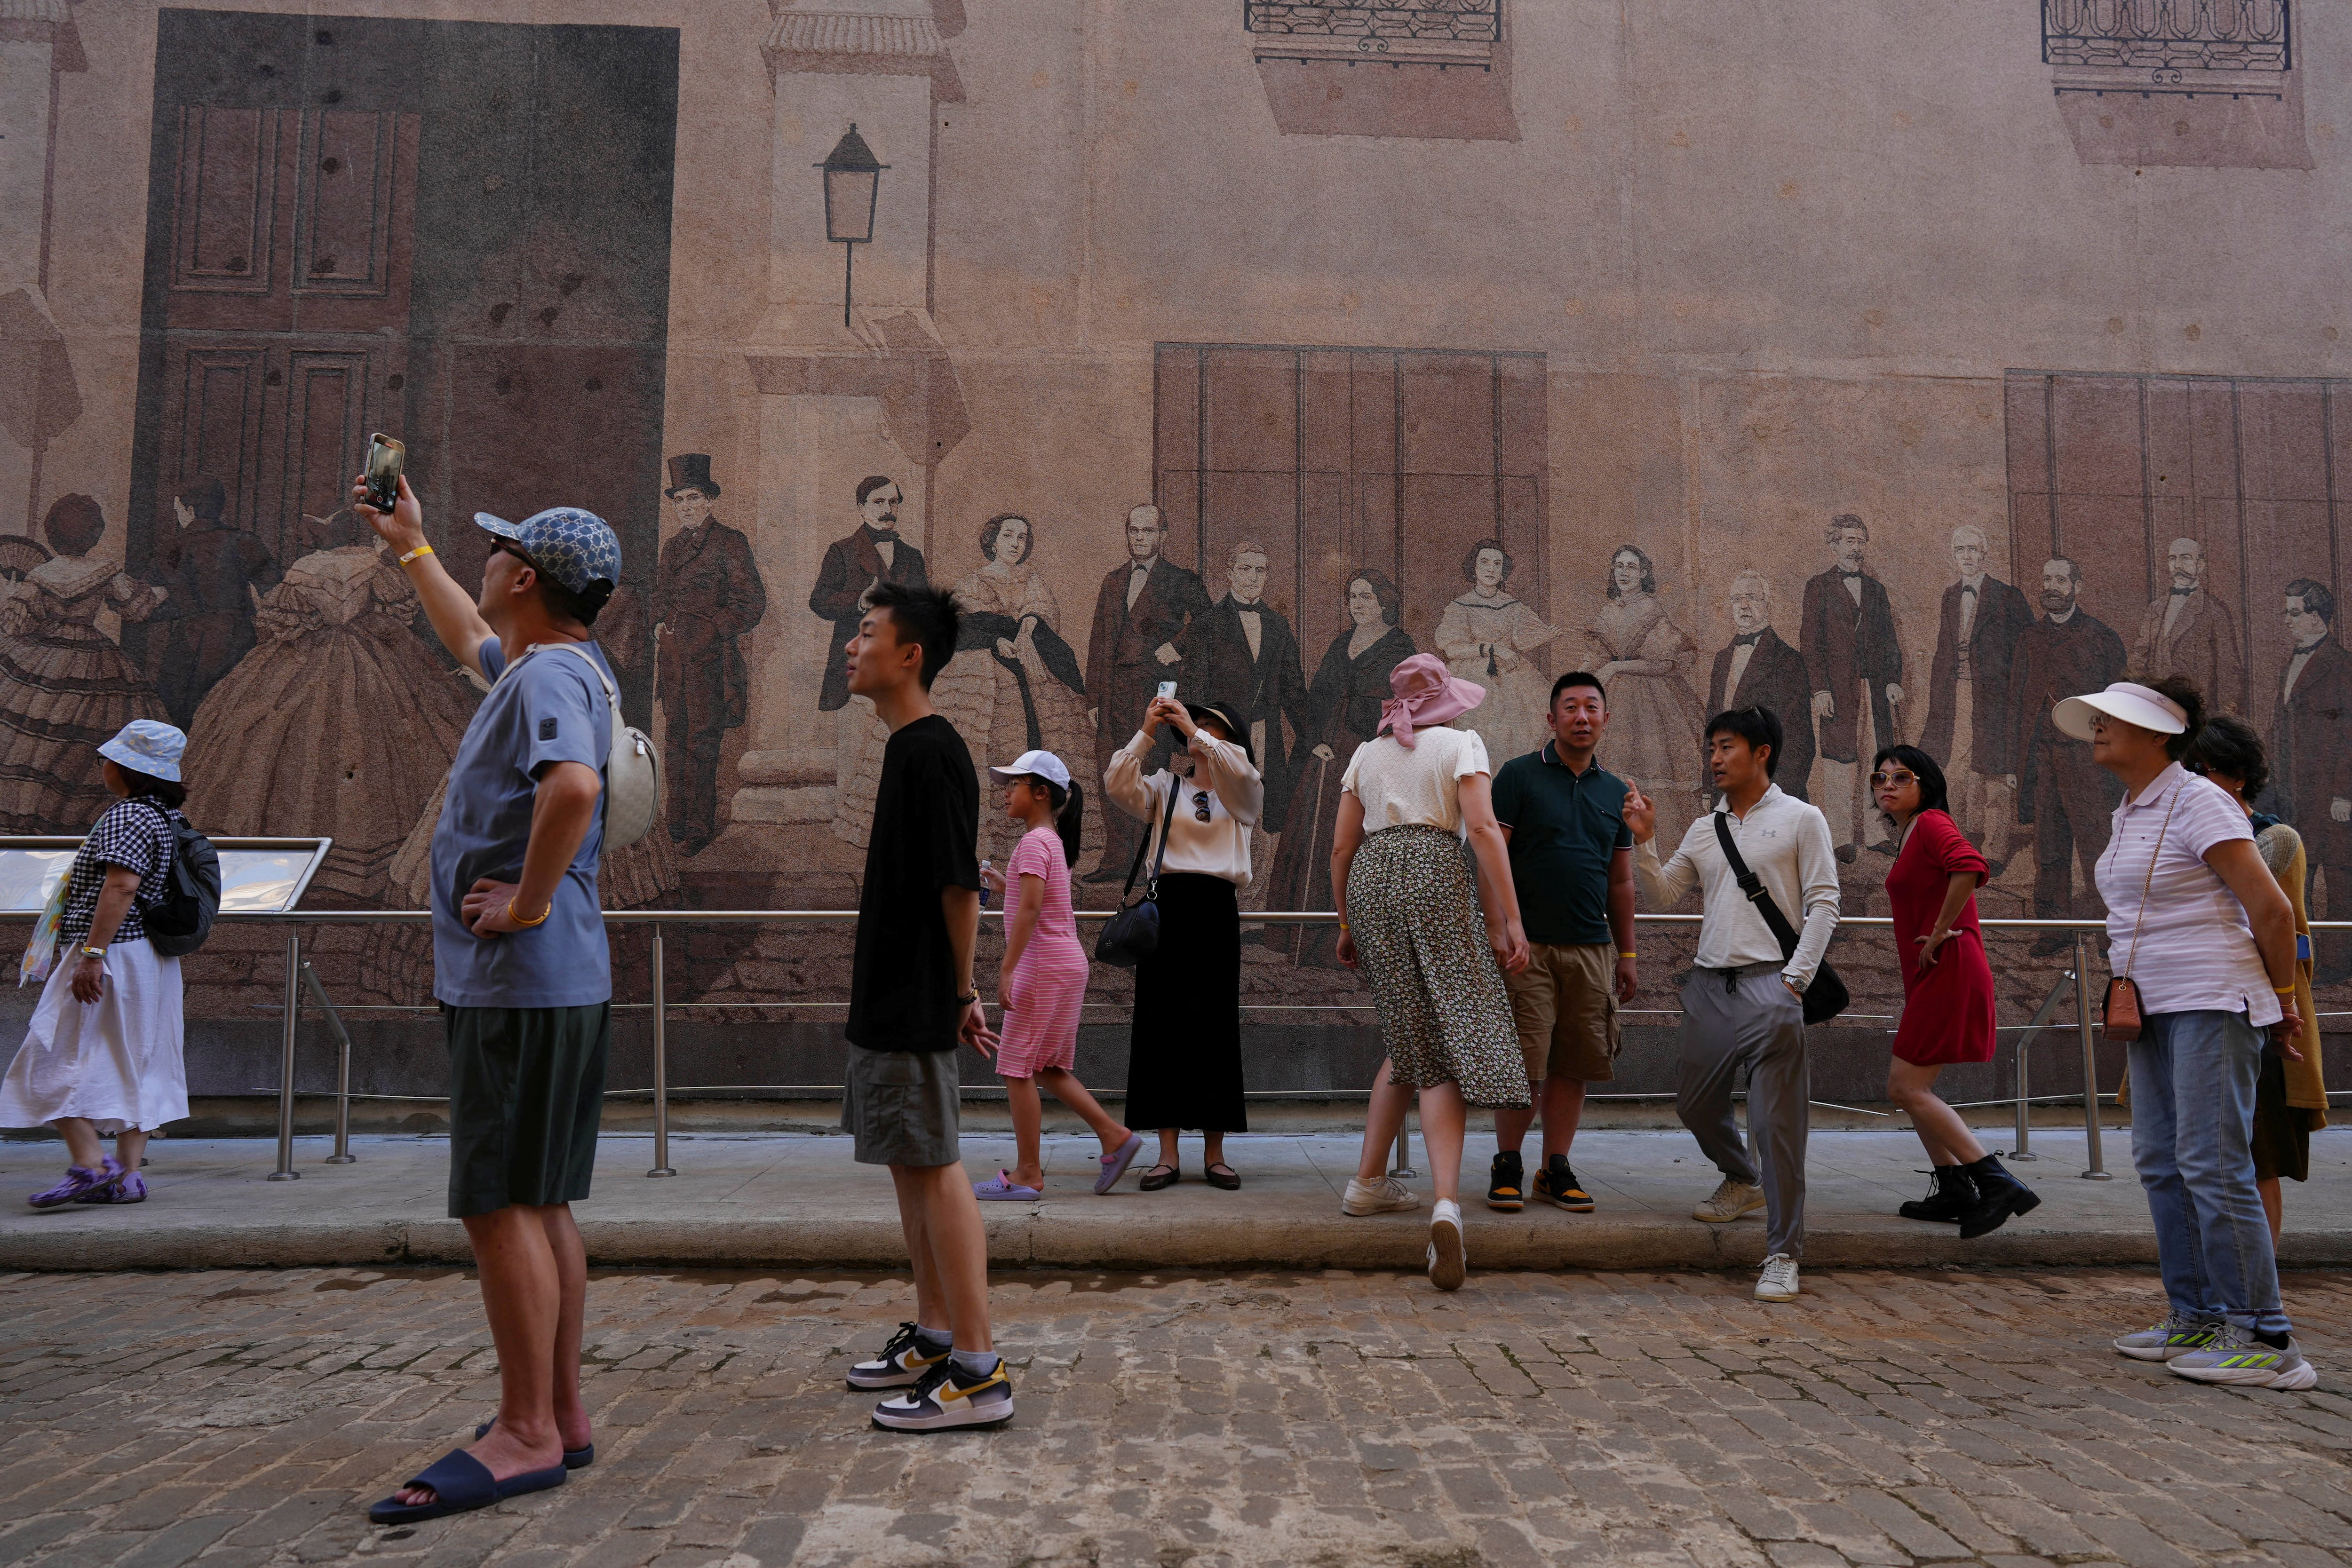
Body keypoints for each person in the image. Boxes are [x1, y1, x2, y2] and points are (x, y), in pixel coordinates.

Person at [352, 475, 623, 1521]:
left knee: (495, 1200)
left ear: (524, 576)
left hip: (516, 982)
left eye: (495, 553)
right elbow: (471, 636)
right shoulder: (563, 663)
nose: (487, 566)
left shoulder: (549, 678)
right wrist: (412, 545)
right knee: (539, 1196)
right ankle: (558, 1407)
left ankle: (522, 1431)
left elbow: (573, 788)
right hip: (558, 985)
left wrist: (523, 902)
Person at [2065, 678, 2316, 1389]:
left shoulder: (2200, 798)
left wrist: (2282, 1000)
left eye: (2115, 719)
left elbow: (2271, 911)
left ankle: (2267, 1338)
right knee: (2161, 1159)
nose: (2099, 728)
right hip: (2153, 1006)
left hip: (2212, 999)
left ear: (2158, 733)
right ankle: (2199, 1314)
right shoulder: (2132, 808)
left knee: (2212, 1160)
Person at [834, 581, 1013, 1432]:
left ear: (910, 655)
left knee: (937, 1162)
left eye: (865, 633)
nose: (851, 645)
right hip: (894, 989)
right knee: (911, 1159)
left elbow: (960, 884)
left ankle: (978, 1366)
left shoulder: (935, 750)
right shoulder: (907, 747)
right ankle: (938, 1330)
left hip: (915, 992)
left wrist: (963, 991)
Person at [1625, 705, 1839, 1304]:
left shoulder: (1802, 818)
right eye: (1711, 748)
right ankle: (1741, 1179)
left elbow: (1824, 902)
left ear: (1761, 752)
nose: (1715, 759)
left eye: (1726, 747)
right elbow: (1667, 892)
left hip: (1773, 984)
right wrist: (1646, 842)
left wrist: (1794, 981)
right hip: (1708, 985)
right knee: (1693, 1103)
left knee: (1776, 1127)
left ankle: (1782, 1254)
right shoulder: (1703, 827)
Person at [1329, 654, 1530, 1292]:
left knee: (1407, 1031)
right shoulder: (1460, 744)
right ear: (1448, 698)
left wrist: (1344, 921)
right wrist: (1512, 920)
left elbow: (1342, 846)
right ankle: (1447, 1203)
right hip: (1434, 871)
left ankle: (1367, 1182)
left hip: (1371, 878)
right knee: (1443, 1038)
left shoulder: (1365, 753)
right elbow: (1480, 828)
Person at [183, 507, 477, 905]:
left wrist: (297, 627)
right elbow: (401, 611)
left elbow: (281, 620)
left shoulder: (306, 569)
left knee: (281, 736)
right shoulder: (374, 565)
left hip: (307, 660)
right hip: (374, 656)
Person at [0, 721, 192, 1208]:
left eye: (105, 758)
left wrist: (92, 954)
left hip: (113, 955)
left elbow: (121, 887)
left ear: (128, 768)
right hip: (146, 958)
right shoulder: (162, 816)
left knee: (48, 1057)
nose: (101, 766)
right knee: (140, 1061)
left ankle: (90, 1165)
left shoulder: (127, 816)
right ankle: (127, 1176)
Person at [1870, 744, 2039, 1237]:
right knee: (1913, 1088)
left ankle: (1996, 1181)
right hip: (1935, 972)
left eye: (1900, 777)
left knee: (1905, 1086)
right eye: (1879, 779)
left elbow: (1969, 865)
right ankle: (1952, 1187)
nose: (1887, 786)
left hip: (1950, 965)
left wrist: (1943, 927)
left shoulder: (1931, 823)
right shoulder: (1909, 834)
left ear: (1924, 784)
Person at [1485, 672, 1635, 1214]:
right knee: (1525, 1062)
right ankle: (1508, 1162)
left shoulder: (1616, 792)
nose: (1580, 717)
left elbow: (1620, 881)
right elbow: (1489, 854)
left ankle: (1556, 1167)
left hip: (1591, 950)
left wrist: (1628, 952)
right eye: (1569, 707)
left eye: (1591, 707)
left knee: (1574, 1063)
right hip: (1529, 949)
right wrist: (1499, 929)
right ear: (1550, 719)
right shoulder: (1518, 776)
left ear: (1604, 718)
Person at [1105, 698, 1263, 1190]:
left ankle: (1215, 1154)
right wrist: (1147, 729)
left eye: (1215, 729)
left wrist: (1201, 732)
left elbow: (1246, 779)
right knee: (1160, 1028)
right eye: (1195, 727)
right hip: (1166, 909)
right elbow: (1116, 783)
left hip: (1216, 911)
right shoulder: (1164, 786)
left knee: (1214, 1027)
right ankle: (1167, 1154)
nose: (1199, 735)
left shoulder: (1240, 791)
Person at [972, 749, 1140, 1201]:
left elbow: (1030, 911)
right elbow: (1040, 901)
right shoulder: (1052, 842)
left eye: (1015, 784)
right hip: (1065, 965)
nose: (1006, 792)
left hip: (1041, 967)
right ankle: (1115, 1137)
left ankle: (1028, 1173)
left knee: (1015, 1067)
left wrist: (1005, 971)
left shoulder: (1032, 843)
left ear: (1041, 793)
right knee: (1045, 1065)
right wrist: (1005, 883)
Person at [2185, 715, 2326, 1245]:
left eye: (2201, 770)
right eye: (2185, 771)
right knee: (2190, 1158)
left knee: (2254, 1156)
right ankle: (2207, 1280)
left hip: (2259, 1014)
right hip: (2193, 1006)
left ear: (2236, 775)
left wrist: (2282, 1008)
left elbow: (2272, 922)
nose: (2191, 782)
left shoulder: (2273, 839)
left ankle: (2254, 1286)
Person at [1263, 569, 1416, 965]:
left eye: (1367, 597)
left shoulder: (1401, 646)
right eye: (1353, 597)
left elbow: (1409, 706)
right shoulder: (1342, 642)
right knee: (1318, 833)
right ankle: (1301, 937)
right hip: (1329, 751)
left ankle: (1360, 943)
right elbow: (1316, 695)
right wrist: (1314, 739)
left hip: (1373, 750)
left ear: (1384, 602)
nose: (1359, 604)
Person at [0, 495, 171, 833]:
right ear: (95, 533)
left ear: (52, 533)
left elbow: (16, 623)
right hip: (94, 656)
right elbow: (136, 610)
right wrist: (163, 591)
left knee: (43, 736)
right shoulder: (105, 570)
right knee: (90, 735)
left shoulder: (40, 574)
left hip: (44, 658)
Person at [930, 514, 1096, 862]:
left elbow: (1045, 610)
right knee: (1000, 736)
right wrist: (997, 640)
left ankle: (1042, 825)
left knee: (1048, 733)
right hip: (987, 672)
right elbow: (960, 627)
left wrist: (1029, 623)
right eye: (1008, 536)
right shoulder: (973, 582)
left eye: (1022, 538)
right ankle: (995, 830)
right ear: (992, 541)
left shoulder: (1033, 581)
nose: (1015, 544)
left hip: (1034, 666)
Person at [2006, 557, 2127, 955]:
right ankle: (2053, 931)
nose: (2051, 586)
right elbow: (2017, 706)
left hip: (2088, 764)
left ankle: (2111, 935)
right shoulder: (2028, 638)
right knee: (2050, 851)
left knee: (2098, 850)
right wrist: (2014, 765)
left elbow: (2119, 706)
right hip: (2043, 762)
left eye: (2060, 579)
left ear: (2078, 586)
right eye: (2046, 579)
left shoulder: (2101, 638)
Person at [1084, 505, 1209, 878]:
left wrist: (1178, 645)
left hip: (1156, 689)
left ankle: (1147, 859)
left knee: (1150, 772)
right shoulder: (1113, 580)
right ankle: (1116, 861)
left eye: (1148, 531)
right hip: (1115, 690)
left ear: (1163, 536)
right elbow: (1099, 641)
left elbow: (1209, 622)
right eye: (1133, 530)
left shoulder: (1183, 580)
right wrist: (1095, 698)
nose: (1139, 537)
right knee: (1114, 769)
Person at [652, 454, 766, 857]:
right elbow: (660, 596)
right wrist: (656, 624)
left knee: (703, 742)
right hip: (674, 660)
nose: (686, 506)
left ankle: (699, 828)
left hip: (711, 662)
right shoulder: (672, 547)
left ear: (710, 501)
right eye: (679, 500)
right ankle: (674, 823)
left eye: (694, 498)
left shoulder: (730, 543)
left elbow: (751, 602)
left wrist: (712, 629)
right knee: (674, 740)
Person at [812, 477, 928, 850]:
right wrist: (858, 600)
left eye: (893, 502)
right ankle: (853, 829)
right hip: (857, 662)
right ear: (862, 507)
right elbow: (819, 601)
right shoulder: (842, 550)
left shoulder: (911, 555)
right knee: (857, 744)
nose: (887, 510)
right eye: (879, 502)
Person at [1176, 540, 1311, 849]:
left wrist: (1313, 738)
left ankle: (1258, 893)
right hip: (1223, 737)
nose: (1253, 577)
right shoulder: (1206, 624)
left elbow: (1294, 691)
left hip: (1266, 734)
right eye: (1245, 569)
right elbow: (1193, 691)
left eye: (1260, 570)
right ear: (1230, 573)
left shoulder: (1279, 625)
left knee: (1264, 820)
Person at [1581, 545, 1705, 855]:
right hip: (1609, 702)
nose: (1624, 573)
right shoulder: (1607, 612)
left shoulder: (1652, 611)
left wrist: (1616, 667)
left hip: (1651, 704)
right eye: (1619, 566)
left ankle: (1660, 860)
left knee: (1652, 772)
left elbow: (1665, 663)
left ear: (1644, 574)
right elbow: (1597, 656)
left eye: (1632, 567)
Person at [1922, 525, 2031, 869]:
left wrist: (2012, 688)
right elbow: (1945, 648)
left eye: (1972, 550)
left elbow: (2027, 645)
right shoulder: (1950, 595)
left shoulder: (2008, 596)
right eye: (1960, 550)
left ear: (1984, 555)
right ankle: (1962, 842)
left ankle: (1996, 850)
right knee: (1960, 769)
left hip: (1995, 698)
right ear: (1953, 557)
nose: (1967, 556)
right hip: (1958, 694)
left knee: (1995, 774)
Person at [1801, 515, 1903, 863]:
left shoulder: (1877, 591)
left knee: (1877, 761)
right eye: (1849, 541)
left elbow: (1889, 642)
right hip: (1837, 691)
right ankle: (1841, 837)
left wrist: (1892, 680)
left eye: (1861, 541)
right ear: (1834, 545)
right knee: (1839, 762)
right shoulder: (1818, 587)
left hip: (1873, 690)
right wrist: (1820, 690)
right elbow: (1811, 645)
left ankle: (1875, 834)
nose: (1856, 549)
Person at [2268, 579, 2352, 982]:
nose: (2286, 620)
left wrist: (2344, 793)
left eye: (2294, 612)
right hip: (2293, 795)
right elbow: (2279, 729)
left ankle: (2337, 965)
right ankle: (2304, 960)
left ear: (2317, 617)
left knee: (2340, 885)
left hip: (2330, 798)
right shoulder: (2290, 663)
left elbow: (2350, 736)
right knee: (2295, 886)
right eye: (2286, 611)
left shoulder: (2343, 666)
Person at [145, 476, 278, 727]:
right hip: (237, 638)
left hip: (188, 641)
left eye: (178, 510)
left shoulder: (171, 549)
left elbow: (153, 605)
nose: (177, 517)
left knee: (180, 713)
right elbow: (275, 592)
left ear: (190, 511)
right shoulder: (243, 540)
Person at [1436, 537, 1565, 765]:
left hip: (1512, 679)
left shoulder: (1512, 605)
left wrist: (1548, 633)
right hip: (1471, 678)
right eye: (1484, 563)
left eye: (1498, 564)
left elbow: (1524, 639)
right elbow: (1453, 648)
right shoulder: (1461, 606)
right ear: (1474, 569)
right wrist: (1492, 649)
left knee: (1520, 732)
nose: (1491, 569)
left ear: (1504, 571)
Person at [1705, 570, 1813, 801]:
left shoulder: (1787, 660)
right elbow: (1712, 726)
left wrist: (1774, 792)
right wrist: (1710, 786)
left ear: (1768, 604)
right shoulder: (1722, 659)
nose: (1744, 606)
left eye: (1752, 598)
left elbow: (1797, 738)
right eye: (1737, 600)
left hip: (1770, 793)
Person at [2131, 537, 2243, 713]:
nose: (2178, 566)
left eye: (2185, 558)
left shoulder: (2216, 611)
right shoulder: (2155, 610)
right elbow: (2139, 660)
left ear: (2200, 565)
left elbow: (2229, 671)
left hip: (2197, 713)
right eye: (2172, 559)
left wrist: (2225, 719)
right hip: (2157, 710)